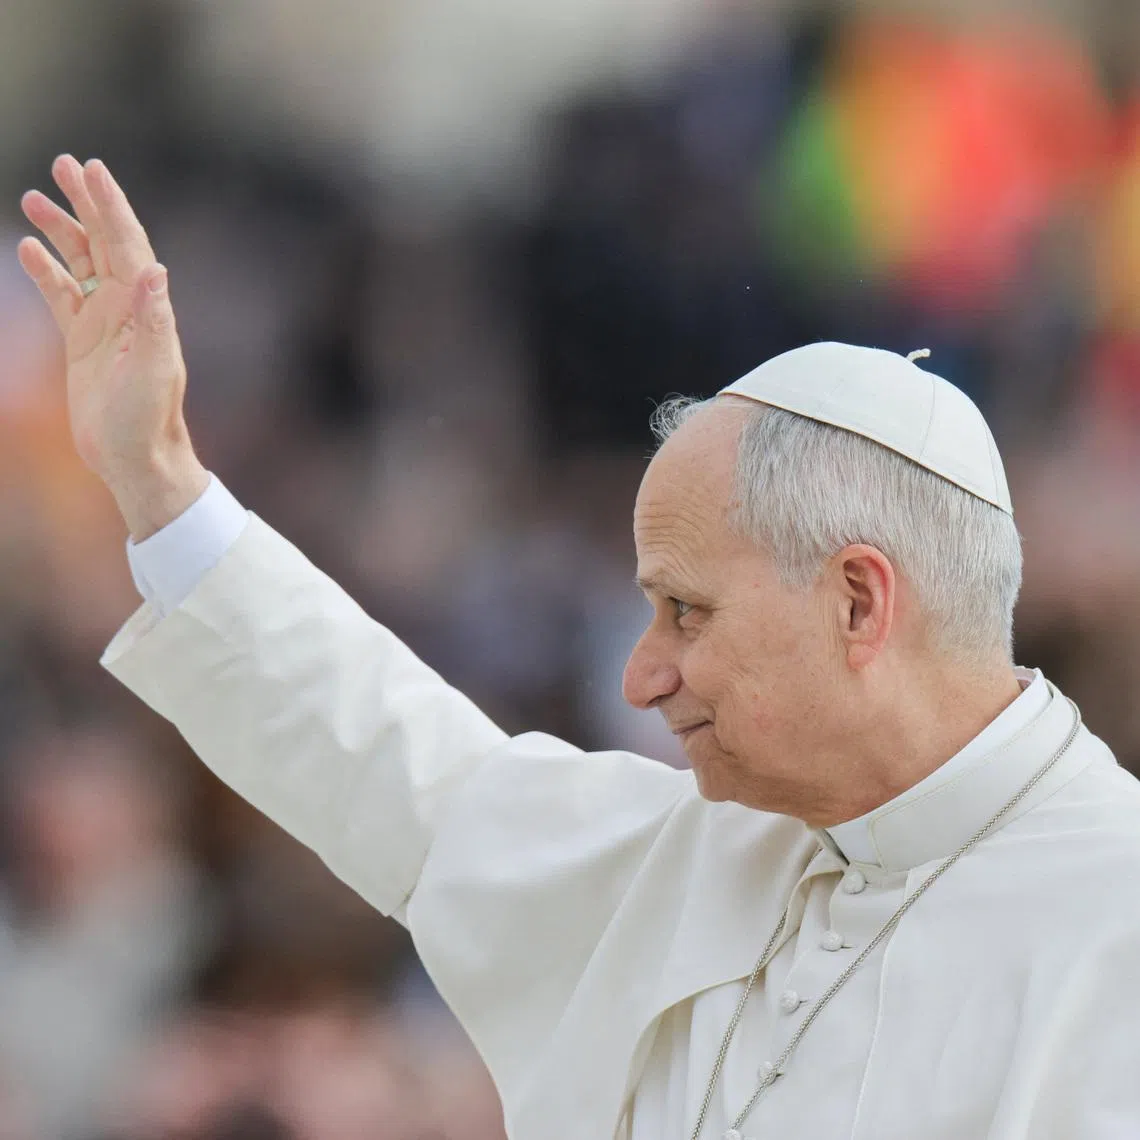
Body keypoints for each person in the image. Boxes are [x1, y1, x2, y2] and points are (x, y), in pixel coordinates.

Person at [16, 155, 1140, 1140]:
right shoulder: (726, 850)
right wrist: (157, 480)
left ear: (858, 603)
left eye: (685, 612)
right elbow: (400, 769)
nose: (640, 676)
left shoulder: (1114, 924)